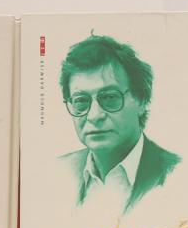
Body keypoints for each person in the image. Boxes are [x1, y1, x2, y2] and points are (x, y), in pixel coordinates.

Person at [58, 35, 181, 212]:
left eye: (110, 97)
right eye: (81, 101)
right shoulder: (57, 173)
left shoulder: (177, 174)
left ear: (141, 100)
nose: (94, 115)